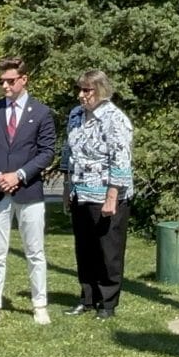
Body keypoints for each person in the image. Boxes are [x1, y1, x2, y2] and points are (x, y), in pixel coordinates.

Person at [0, 57, 56, 326]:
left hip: (29, 191)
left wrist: (19, 175)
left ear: (24, 79)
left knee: (35, 252)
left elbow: (46, 152)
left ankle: (39, 304)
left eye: (10, 81)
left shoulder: (41, 112)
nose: (5, 86)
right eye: (1, 81)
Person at [60, 70, 133, 320]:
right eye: (79, 90)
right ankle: (87, 298)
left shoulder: (114, 119)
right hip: (81, 192)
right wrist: (67, 187)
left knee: (108, 251)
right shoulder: (75, 115)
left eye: (87, 90)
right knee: (85, 249)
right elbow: (68, 153)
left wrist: (112, 195)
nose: (81, 95)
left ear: (100, 90)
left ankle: (108, 302)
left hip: (106, 194)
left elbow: (121, 159)